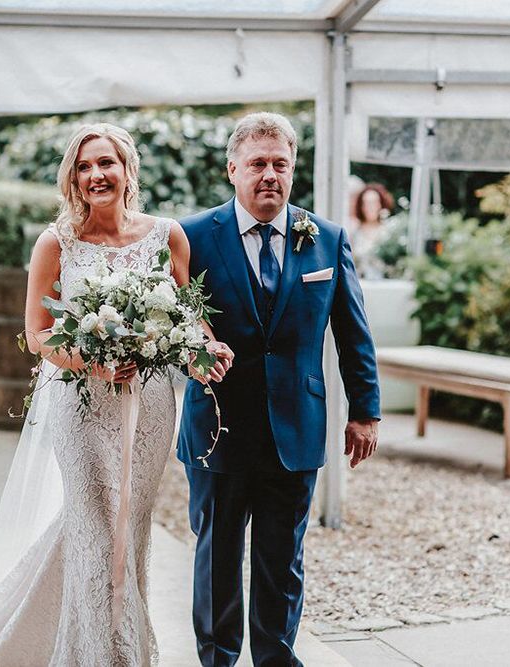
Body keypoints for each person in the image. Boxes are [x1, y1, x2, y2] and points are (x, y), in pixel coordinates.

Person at [0, 123, 231, 666]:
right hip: (80, 402)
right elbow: (38, 335)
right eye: (83, 167)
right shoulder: (55, 243)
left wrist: (205, 350)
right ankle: (98, 655)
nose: (95, 175)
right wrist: (95, 362)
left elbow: (190, 311)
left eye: (105, 163)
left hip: (150, 405)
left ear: (128, 169)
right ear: (72, 178)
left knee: (128, 525)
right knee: (92, 522)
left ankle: (113, 638)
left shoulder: (166, 235)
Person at [178, 112, 381, 666]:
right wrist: (192, 356)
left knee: (281, 561)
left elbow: (353, 333)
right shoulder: (190, 237)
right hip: (217, 428)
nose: (270, 174)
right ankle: (217, 660)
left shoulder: (327, 240)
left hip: (296, 427)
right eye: (258, 164)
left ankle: (275, 659)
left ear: (293, 172)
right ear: (232, 170)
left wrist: (366, 410)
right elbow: (170, 323)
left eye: (281, 164)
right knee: (218, 558)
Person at [348, 182, 395, 280]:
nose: (370, 207)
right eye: (366, 203)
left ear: (381, 204)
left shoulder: (389, 231)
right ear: (361, 206)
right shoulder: (354, 233)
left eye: (374, 203)